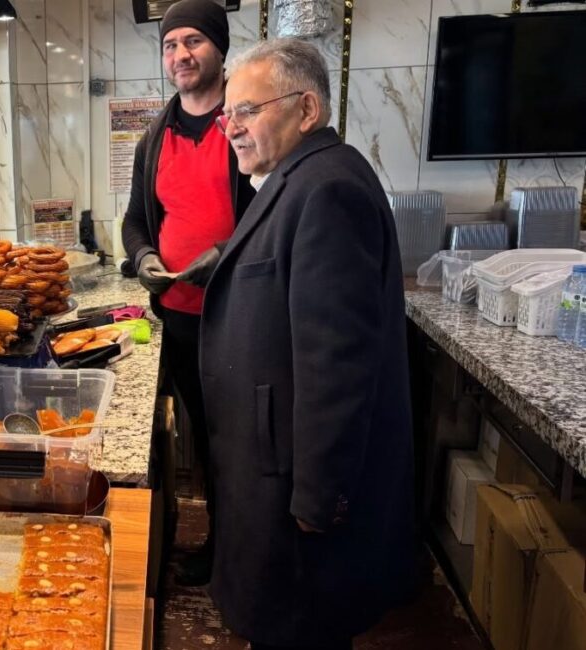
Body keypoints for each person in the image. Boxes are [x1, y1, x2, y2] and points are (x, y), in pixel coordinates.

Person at [200, 38, 416, 649]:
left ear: (307, 109)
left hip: (295, 483)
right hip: (274, 463)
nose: (231, 128)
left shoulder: (328, 190)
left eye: (247, 111)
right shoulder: (295, 177)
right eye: (227, 114)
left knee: (300, 630)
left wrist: (319, 498)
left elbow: (336, 364)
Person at [120, 0, 255, 586]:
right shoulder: (157, 134)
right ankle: (219, 543)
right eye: (171, 44)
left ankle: (242, 554)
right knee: (202, 439)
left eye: (193, 41)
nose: (180, 54)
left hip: (239, 319)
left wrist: (223, 257)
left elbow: (276, 216)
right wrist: (145, 256)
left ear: (220, 48)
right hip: (177, 318)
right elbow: (134, 221)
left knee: (241, 445)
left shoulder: (245, 124)